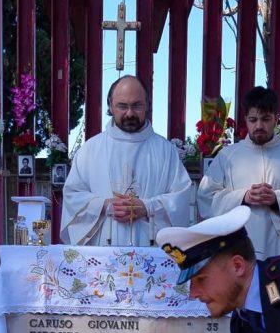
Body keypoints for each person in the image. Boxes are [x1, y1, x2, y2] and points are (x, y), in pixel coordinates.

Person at [61, 75, 192, 246]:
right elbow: (73, 196)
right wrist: (106, 205)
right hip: (102, 253)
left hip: (151, 251)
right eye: (122, 106)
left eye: (137, 105)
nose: (130, 113)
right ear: (110, 105)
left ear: (147, 105)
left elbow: (180, 196)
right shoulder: (90, 150)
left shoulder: (166, 151)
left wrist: (147, 207)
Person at [197, 86, 280, 258]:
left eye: (266, 119)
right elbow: (206, 197)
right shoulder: (227, 156)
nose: (259, 126)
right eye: (253, 119)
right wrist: (243, 197)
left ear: (276, 119)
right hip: (237, 244)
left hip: (278, 246)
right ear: (245, 120)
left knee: (274, 285)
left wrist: (277, 200)